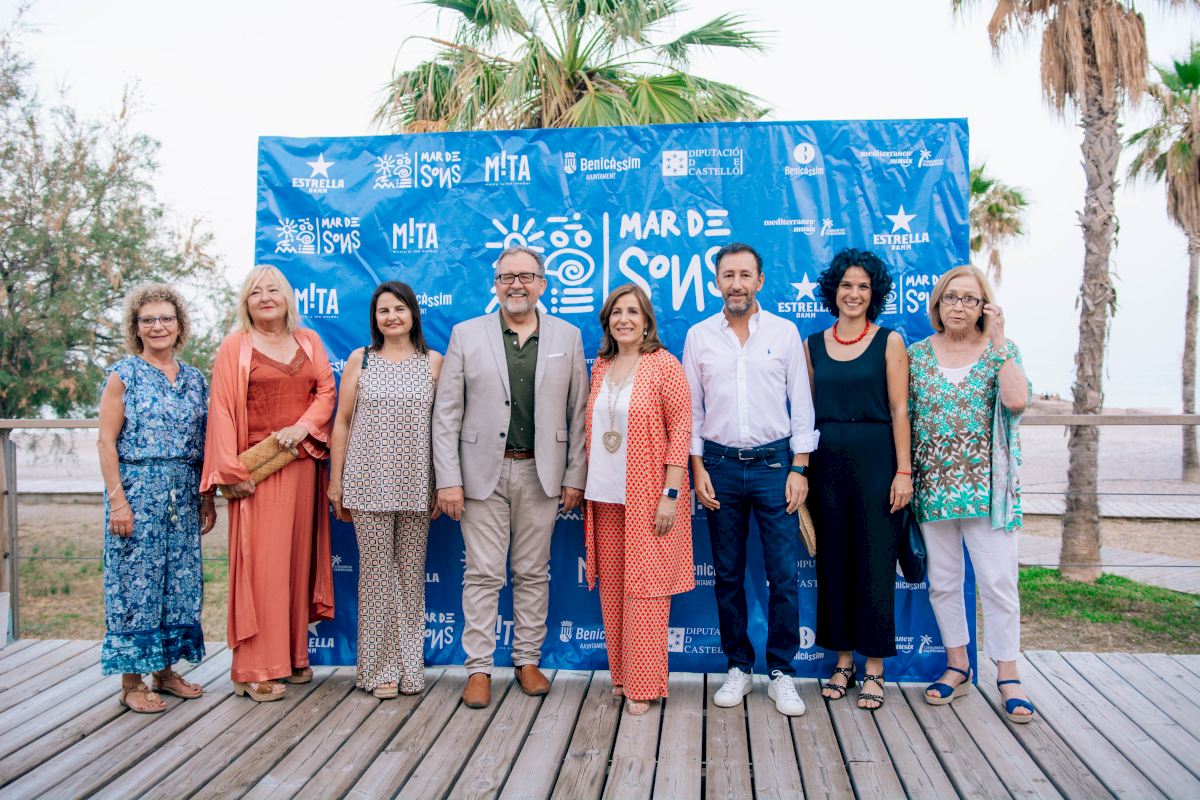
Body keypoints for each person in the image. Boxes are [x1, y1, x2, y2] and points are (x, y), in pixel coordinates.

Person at [433, 245, 589, 709]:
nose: (516, 284)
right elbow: (447, 413)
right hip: (480, 474)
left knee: (533, 572)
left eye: (525, 276)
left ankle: (527, 660)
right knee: (482, 573)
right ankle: (479, 668)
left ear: (542, 284)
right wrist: (448, 479)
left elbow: (578, 413)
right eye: (507, 277)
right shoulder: (466, 334)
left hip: (542, 473)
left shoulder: (568, 336)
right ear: (495, 284)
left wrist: (575, 476)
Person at [683, 242, 819, 717]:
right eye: (728, 275)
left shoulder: (784, 332)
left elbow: (801, 405)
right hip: (718, 467)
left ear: (760, 280)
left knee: (783, 575)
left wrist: (799, 468)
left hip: (775, 467)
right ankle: (739, 666)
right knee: (727, 573)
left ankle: (781, 671)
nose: (736, 284)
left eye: (745, 275)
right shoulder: (699, 336)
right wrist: (698, 469)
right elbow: (692, 411)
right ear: (716, 282)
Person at [202, 265, 337, 702]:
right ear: (246, 301)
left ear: (287, 298)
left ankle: (292, 655)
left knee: (295, 565)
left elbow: (326, 393)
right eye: (255, 291)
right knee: (262, 569)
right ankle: (254, 668)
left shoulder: (308, 340)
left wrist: (302, 427)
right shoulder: (235, 345)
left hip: (302, 464)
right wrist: (230, 473)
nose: (265, 297)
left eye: (273, 289)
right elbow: (222, 409)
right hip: (257, 473)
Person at [909, 265, 1035, 723]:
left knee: (998, 582)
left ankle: (1008, 674)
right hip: (933, 488)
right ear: (938, 304)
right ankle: (957, 665)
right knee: (943, 582)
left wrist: (999, 342)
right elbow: (903, 416)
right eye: (950, 297)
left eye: (969, 298)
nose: (959, 306)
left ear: (985, 306)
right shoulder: (917, 355)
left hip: (988, 491)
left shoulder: (1002, 351)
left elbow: (1017, 401)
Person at [97, 284, 216, 713]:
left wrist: (206, 497)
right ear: (136, 328)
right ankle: (131, 683)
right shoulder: (123, 374)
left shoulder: (195, 378)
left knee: (177, 584)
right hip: (137, 491)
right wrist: (118, 502)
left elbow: (204, 443)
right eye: (148, 320)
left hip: (182, 495)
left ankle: (164, 673)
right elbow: (106, 442)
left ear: (179, 325)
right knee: (136, 585)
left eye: (166, 318)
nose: (158, 326)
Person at [805, 249, 912, 711]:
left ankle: (875, 668)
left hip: (877, 461)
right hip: (825, 463)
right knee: (833, 563)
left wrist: (904, 471)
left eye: (863, 286)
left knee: (874, 563)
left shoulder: (889, 341)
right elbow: (807, 412)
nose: (854, 293)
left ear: (874, 293)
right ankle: (843, 661)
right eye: (847, 285)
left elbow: (900, 410)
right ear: (834, 290)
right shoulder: (811, 345)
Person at [583, 284, 694, 716]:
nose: (624, 319)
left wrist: (670, 495)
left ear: (646, 320)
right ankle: (622, 676)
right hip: (605, 496)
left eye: (632, 312)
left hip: (649, 498)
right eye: (616, 312)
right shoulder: (601, 366)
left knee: (646, 592)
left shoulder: (664, 364)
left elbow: (681, 429)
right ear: (607, 321)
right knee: (613, 592)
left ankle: (644, 685)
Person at [329, 281, 443, 699]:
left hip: (417, 482)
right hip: (367, 480)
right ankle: (378, 671)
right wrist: (336, 480)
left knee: (410, 577)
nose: (392, 317)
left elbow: (444, 426)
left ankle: (410, 668)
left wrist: (442, 482)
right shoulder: (361, 359)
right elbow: (342, 422)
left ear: (413, 313)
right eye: (384, 311)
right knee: (377, 576)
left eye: (399, 309)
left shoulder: (434, 362)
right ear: (375, 319)